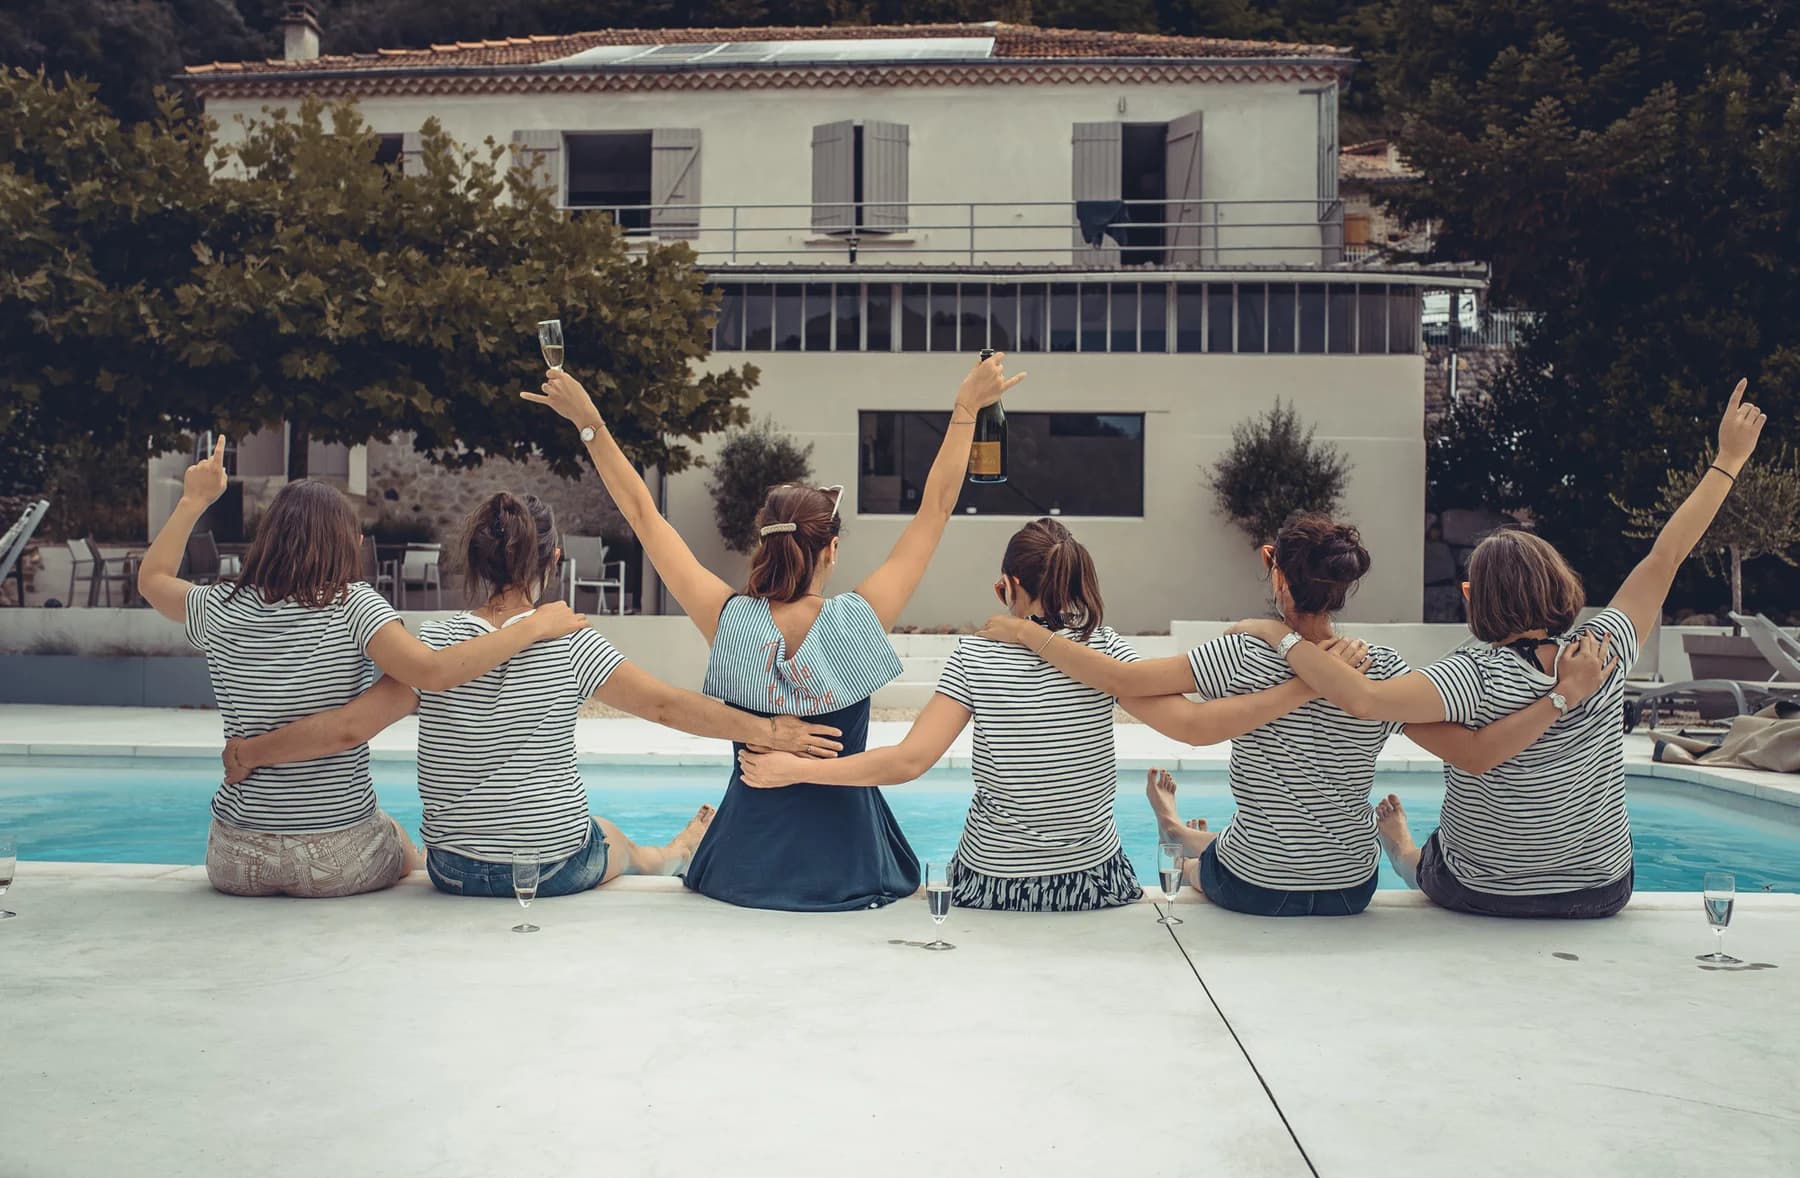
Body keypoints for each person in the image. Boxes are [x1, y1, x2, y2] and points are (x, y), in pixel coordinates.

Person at [1229, 381, 1766, 918]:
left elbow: (1364, 700)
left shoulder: (1466, 677)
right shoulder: (1604, 649)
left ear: (1470, 597)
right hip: (1599, 890)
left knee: (1434, 860)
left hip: (1486, 891)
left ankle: (1404, 854)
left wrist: (1281, 634)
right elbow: (1666, 555)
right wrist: (1728, 459)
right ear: (1559, 584)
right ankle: (1411, 851)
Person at [521, 356, 1025, 911]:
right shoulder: (860, 620)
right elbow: (935, 508)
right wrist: (965, 409)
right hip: (849, 864)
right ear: (831, 550)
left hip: (743, 863)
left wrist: (589, 422)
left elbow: (643, 514)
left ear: (764, 545)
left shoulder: (728, 619)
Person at [980, 514, 1612, 917]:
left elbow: (1124, 681)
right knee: (1238, 846)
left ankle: (1176, 834)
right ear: (1342, 588)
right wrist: (1559, 697)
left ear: (1273, 570)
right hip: (1349, 891)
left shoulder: (1241, 651)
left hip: (1256, 884)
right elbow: (1468, 748)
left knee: (1204, 868)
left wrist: (1025, 632)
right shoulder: (1379, 670)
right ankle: (1184, 832)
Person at [221, 491, 844, 898]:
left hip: (454, 873)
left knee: (409, 835)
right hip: (554, 869)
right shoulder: (570, 641)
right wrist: (770, 731)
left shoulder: (433, 646)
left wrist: (252, 749)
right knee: (609, 836)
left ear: (471, 559)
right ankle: (665, 856)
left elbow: (350, 724)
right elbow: (665, 705)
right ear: (552, 559)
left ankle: (658, 853)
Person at [737, 518, 1353, 911]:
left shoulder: (976, 656)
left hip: (992, 884)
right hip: (1093, 885)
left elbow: (909, 762)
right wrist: (1308, 683)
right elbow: (1193, 728)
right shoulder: (1103, 652)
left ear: (1006, 586)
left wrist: (796, 770)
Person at [137, 441, 586, 898]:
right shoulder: (353, 605)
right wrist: (532, 627)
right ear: (346, 543)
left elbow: (151, 580)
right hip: (336, 854)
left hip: (235, 857)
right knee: (406, 845)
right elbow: (429, 673)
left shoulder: (219, 606)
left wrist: (194, 500)